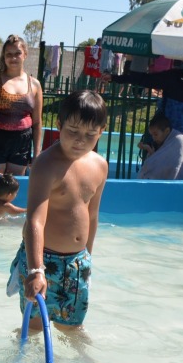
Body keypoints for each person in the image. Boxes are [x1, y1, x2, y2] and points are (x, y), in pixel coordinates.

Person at [7, 90, 108, 334]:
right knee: (34, 327)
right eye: (72, 131)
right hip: (44, 260)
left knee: (72, 327)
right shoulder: (45, 165)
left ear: (101, 132)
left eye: (90, 134)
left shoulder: (99, 166)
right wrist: (35, 270)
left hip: (77, 262)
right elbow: (35, 221)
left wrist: (88, 259)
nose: (80, 140)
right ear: (59, 125)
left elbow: (92, 216)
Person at [0, 35, 43, 177]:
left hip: (22, 141)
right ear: (4, 57)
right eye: (9, 54)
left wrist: (37, 153)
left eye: (17, 53)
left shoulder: (34, 84)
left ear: (25, 54)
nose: (13, 58)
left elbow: (37, 123)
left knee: (14, 186)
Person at [138, 113, 183, 181]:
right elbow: (157, 160)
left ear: (167, 131)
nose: (153, 138)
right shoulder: (167, 141)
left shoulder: (179, 141)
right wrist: (148, 149)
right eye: (152, 135)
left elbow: (165, 166)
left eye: (155, 134)